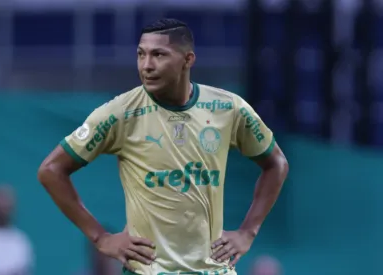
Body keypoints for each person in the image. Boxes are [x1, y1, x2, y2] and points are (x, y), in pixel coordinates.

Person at [38, 18, 289, 275]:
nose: (146, 65)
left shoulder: (228, 109)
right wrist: (101, 238)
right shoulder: (121, 113)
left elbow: (276, 164)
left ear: (188, 60)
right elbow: (51, 170)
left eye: (158, 55)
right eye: (141, 54)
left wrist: (248, 232)